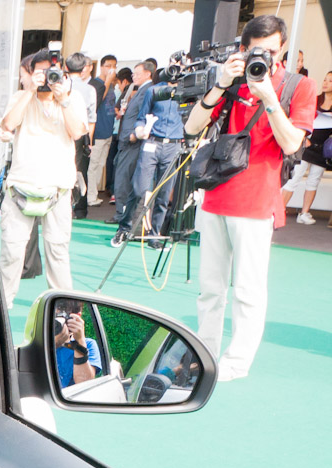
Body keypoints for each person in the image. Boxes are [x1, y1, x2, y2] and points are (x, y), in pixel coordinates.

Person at [184, 14, 318, 381]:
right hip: (216, 196)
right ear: (243, 49)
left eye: (272, 51)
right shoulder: (231, 81)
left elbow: (292, 144)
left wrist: (270, 98)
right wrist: (221, 84)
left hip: (258, 202)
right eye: (257, 51)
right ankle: (204, 353)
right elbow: (192, 126)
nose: (265, 58)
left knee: (248, 290)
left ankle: (237, 362)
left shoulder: (298, 86)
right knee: (210, 289)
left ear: (283, 49)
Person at [0, 49, 88, 306]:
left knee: (58, 251)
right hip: (21, 187)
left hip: (58, 188)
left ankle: (63, 310)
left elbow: (77, 132)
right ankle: (1, 306)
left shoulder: (73, 98)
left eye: (52, 72)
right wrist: (29, 91)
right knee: (12, 251)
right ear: (31, 73)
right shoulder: (21, 97)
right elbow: (8, 125)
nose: (47, 78)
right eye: (41, 73)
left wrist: (64, 99)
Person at [112, 58, 185, 248]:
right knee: (139, 189)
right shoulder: (154, 91)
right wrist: (140, 130)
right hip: (152, 142)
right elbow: (141, 117)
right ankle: (124, 227)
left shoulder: (186, 91)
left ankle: (155, 235)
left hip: (174, 145)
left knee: (164, 193)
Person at [280, 71, 332, 224]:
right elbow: (300, 117)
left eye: (330, 81)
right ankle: (279, 210)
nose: (325, 83)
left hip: (321, 149)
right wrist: (303, 138)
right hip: (305, 144)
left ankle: (304, 212)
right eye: (325, 79)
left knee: (314, 180)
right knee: (294, 177)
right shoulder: (315, 100)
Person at [109, 60, 154, 228]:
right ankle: (123, 214)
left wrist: (134, 135)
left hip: (133, 140)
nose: (133, 76)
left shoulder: (147, 90)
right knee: (123, 177)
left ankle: (123, 215)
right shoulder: (139, 89)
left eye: (137, 73)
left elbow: (145, 114)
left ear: (148, 74)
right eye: (133, 73)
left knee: (123, 178)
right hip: (128, 138)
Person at [67, 53, 98, 218]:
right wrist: (89, 141)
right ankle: (79, 208)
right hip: (81, 134)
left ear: (66, 67)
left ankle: (62, 205)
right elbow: (92, 119)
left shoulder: (60, 85)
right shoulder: (90, 89)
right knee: (80, 170)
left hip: (62, 132)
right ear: (84, 68)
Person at [87, 54, 118, 205]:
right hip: (98, 132)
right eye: (108, 66)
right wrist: (108, 81)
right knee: (93, 165)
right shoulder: (96, 84)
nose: (111, 69)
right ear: (101, 67)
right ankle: (90, 196)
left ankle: (94, 193)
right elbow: (97, 101)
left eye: (114, 66)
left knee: (100, 164)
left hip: (108, 131)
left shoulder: (111, 85)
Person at [54, 299, 103, 388]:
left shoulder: (88, 345)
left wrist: (79, 342)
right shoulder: (40, 340)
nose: (56, 324)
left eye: (62, 318)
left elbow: (84, 384)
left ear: (76, 317)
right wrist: (54, 343)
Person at [105, 67, 133, 202]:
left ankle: (113, 191)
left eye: (118, 83)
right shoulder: (135, 91)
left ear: (124, 81)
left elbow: (117, 110)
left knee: (115, 162)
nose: (118, 86)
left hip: (119, 133)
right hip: (127, 134)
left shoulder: (126, 92)